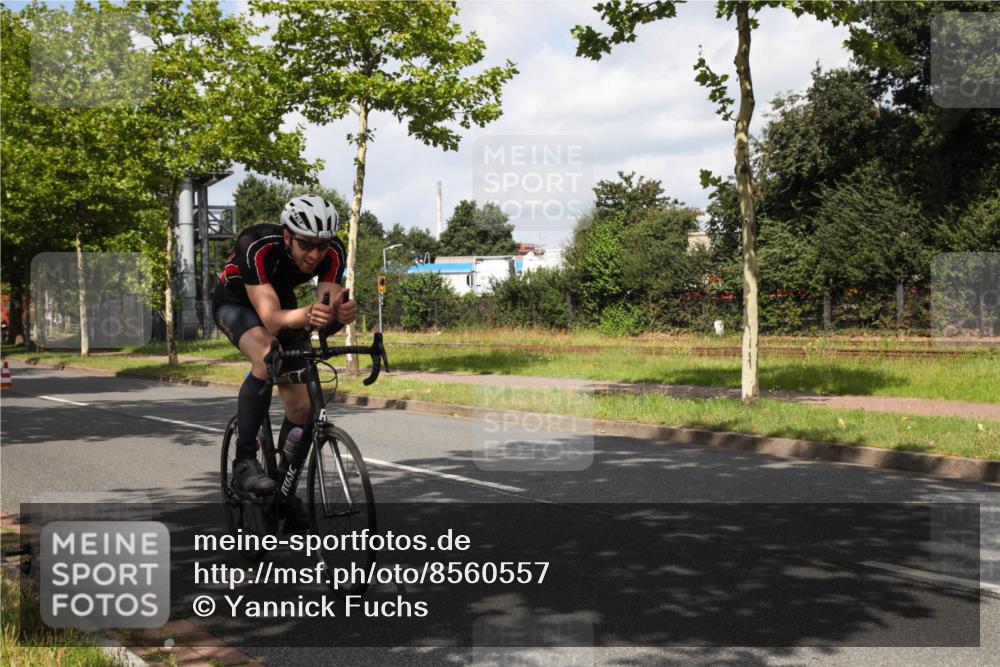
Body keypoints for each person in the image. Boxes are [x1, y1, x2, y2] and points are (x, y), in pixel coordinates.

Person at [212, 194, 357, 528]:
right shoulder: (256, 244)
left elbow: (328, 308)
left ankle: (284, 488)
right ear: (288, 236)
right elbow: (272, 318)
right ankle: (245, 461)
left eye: (322, 246)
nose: (315, 254)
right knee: (268, 357)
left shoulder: (332, 252)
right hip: (238, 303)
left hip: (285, 303)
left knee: (303, 409)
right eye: (306, 244)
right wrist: (308, 314)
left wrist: (341, 313)